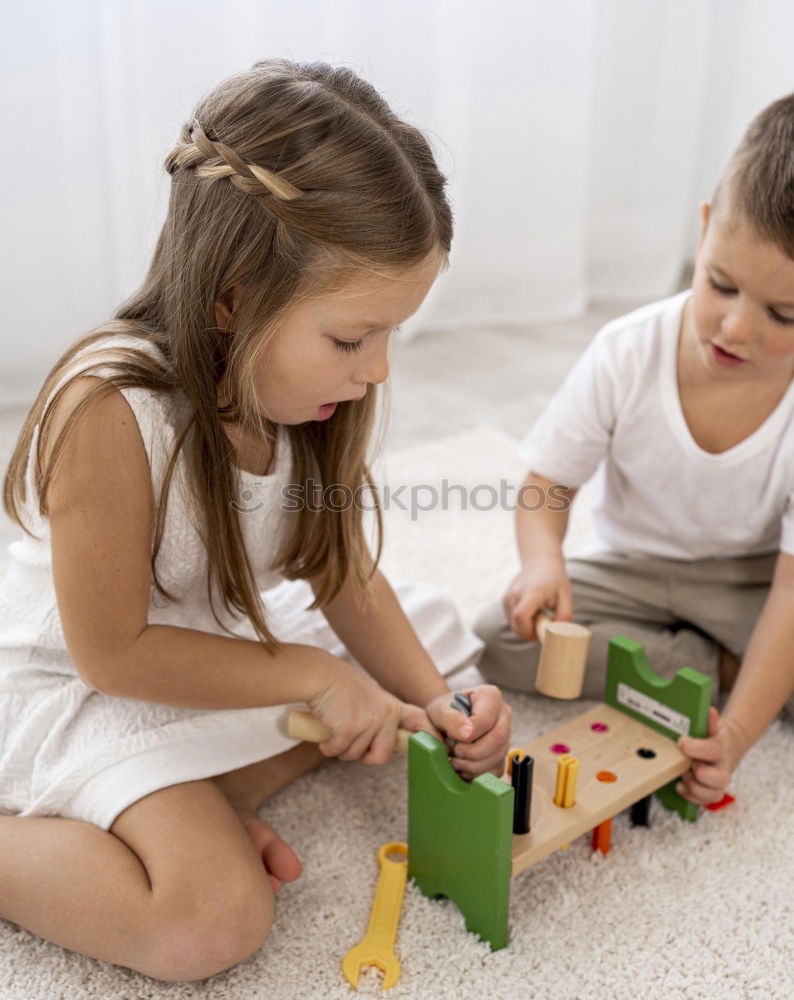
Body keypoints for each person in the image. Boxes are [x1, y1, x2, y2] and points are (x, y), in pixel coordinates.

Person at [0, 59, 511, 982]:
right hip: (79, 680)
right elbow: (110, 655)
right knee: (210, 921)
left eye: (393, 335)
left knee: (424, 653)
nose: (378, 370)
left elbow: (342, 573)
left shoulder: (306, 404)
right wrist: (315, 675)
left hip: (203, 646)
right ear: (232, 298)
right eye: (353, 339)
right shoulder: (112, 412)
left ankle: (164, 808)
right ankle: (90, 820)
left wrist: (437, 701)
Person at [475, 92, 794, 814]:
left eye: (785, 315)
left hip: (754, 584)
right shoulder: (627, 351)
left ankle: (729, 669)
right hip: (632, 571)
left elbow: (793, 592)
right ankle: (711, 663)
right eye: (720, 284)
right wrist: (543, 561)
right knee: (501, 638)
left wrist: (739, 732)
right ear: (706, 230)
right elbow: (546, 486)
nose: (738, 327)